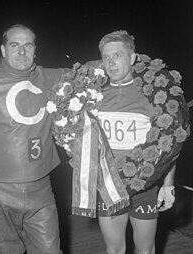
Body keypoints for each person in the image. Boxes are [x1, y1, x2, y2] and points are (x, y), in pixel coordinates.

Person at [0, 24, 66, 254]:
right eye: (14, 45)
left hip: (41, 187)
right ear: (3, 50)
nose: (22, 52)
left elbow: (86, 75)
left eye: (28, 45)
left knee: (50, 250)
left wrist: (122, 65)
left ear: (35, 50)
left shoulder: (48, 78)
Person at [86, 30, 188, 254]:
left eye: (118, 55)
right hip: (110, 186)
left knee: (145, 250)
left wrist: (168, 185)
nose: (111, 63)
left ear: (132, 58)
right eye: (106, 57)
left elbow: (169, 145)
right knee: (114, 249)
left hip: (144, 187)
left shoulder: (152, 95)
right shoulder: (93, 96)